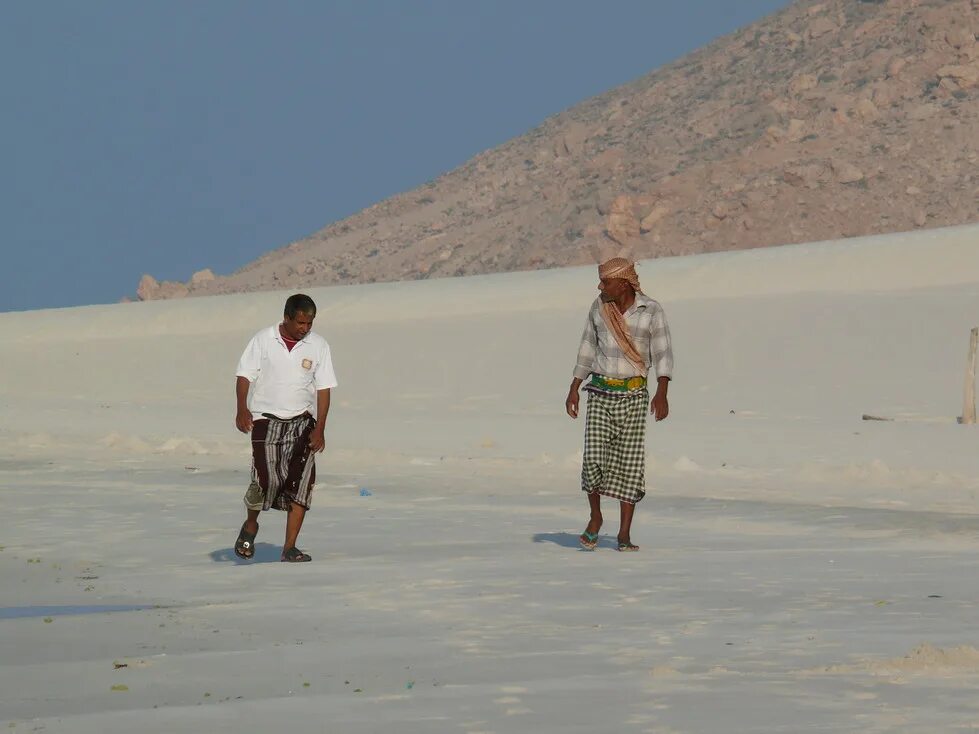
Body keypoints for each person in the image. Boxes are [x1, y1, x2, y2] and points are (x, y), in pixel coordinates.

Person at [565, 258, 673, 552]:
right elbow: (587, 347)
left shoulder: (651, 310)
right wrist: (574, 387)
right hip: (600, 392)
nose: (600, 287)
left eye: (606, 282)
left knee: (630, 463)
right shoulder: (599, 307)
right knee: (593, 459)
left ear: (623, 284)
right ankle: (596, 517)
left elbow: (662, 352)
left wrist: (662, 391)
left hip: (634, 395)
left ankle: (624, 534)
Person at [233, 293, 337, 562]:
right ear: (287, 318)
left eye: (310, 323)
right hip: (265, 420)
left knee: (302, 484)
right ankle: (251, 525)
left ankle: (289, 547)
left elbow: (324, 388)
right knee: (265, 480)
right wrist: (242, 408)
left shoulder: (318, 345)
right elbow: (244, 375)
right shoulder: (263, 339)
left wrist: (320, 427)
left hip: (302, 422)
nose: (305, 328)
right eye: (301, 322)